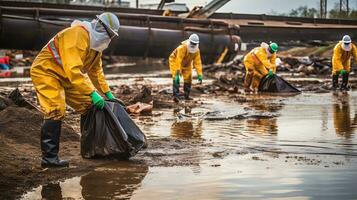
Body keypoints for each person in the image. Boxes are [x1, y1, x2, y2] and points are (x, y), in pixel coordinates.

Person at [31, 12, 124, 167]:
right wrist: (92, 92)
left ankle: (90, 149)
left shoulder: (95, 45)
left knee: (89, 105)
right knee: (56, 109)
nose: (110, 38)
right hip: (46, 71)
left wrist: (107, 93)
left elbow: (95, 71)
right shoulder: (77, 34)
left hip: (66, 75)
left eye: (112, 35)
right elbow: (74, 69)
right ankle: (49, 159)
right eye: (109, 34)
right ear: (100, 27)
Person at [169, 34, 203, 102]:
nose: (193, 44)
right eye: (192, 43)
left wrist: (199, 75)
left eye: (195, 43)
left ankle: (186, 96)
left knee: (188, 78)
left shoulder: (197, 50)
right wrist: (178, 73)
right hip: (175, 61)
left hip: (187, 63)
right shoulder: (182, 48)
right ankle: (176, 96)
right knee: (176, 78)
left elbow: (197, 62)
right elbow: (178, 60)